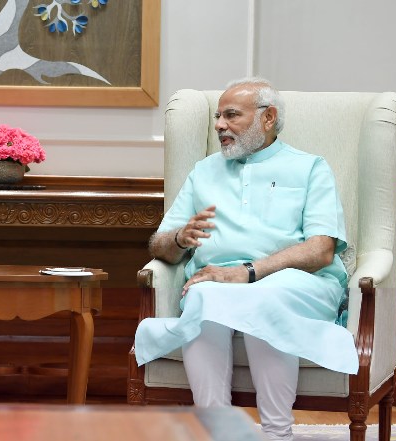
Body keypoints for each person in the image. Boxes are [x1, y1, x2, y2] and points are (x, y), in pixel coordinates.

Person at [134, 77, 358, 441]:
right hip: (218, 281)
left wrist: (249, 272)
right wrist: (179, 237)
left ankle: (276, 433)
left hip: (296, 281)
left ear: (267, 118)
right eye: (217, 117)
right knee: (202, 293)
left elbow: (321, 250)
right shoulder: (203, 171)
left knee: (262, 297)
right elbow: (159, 245)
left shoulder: (310, 167)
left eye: (231, 115)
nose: (220, 125)